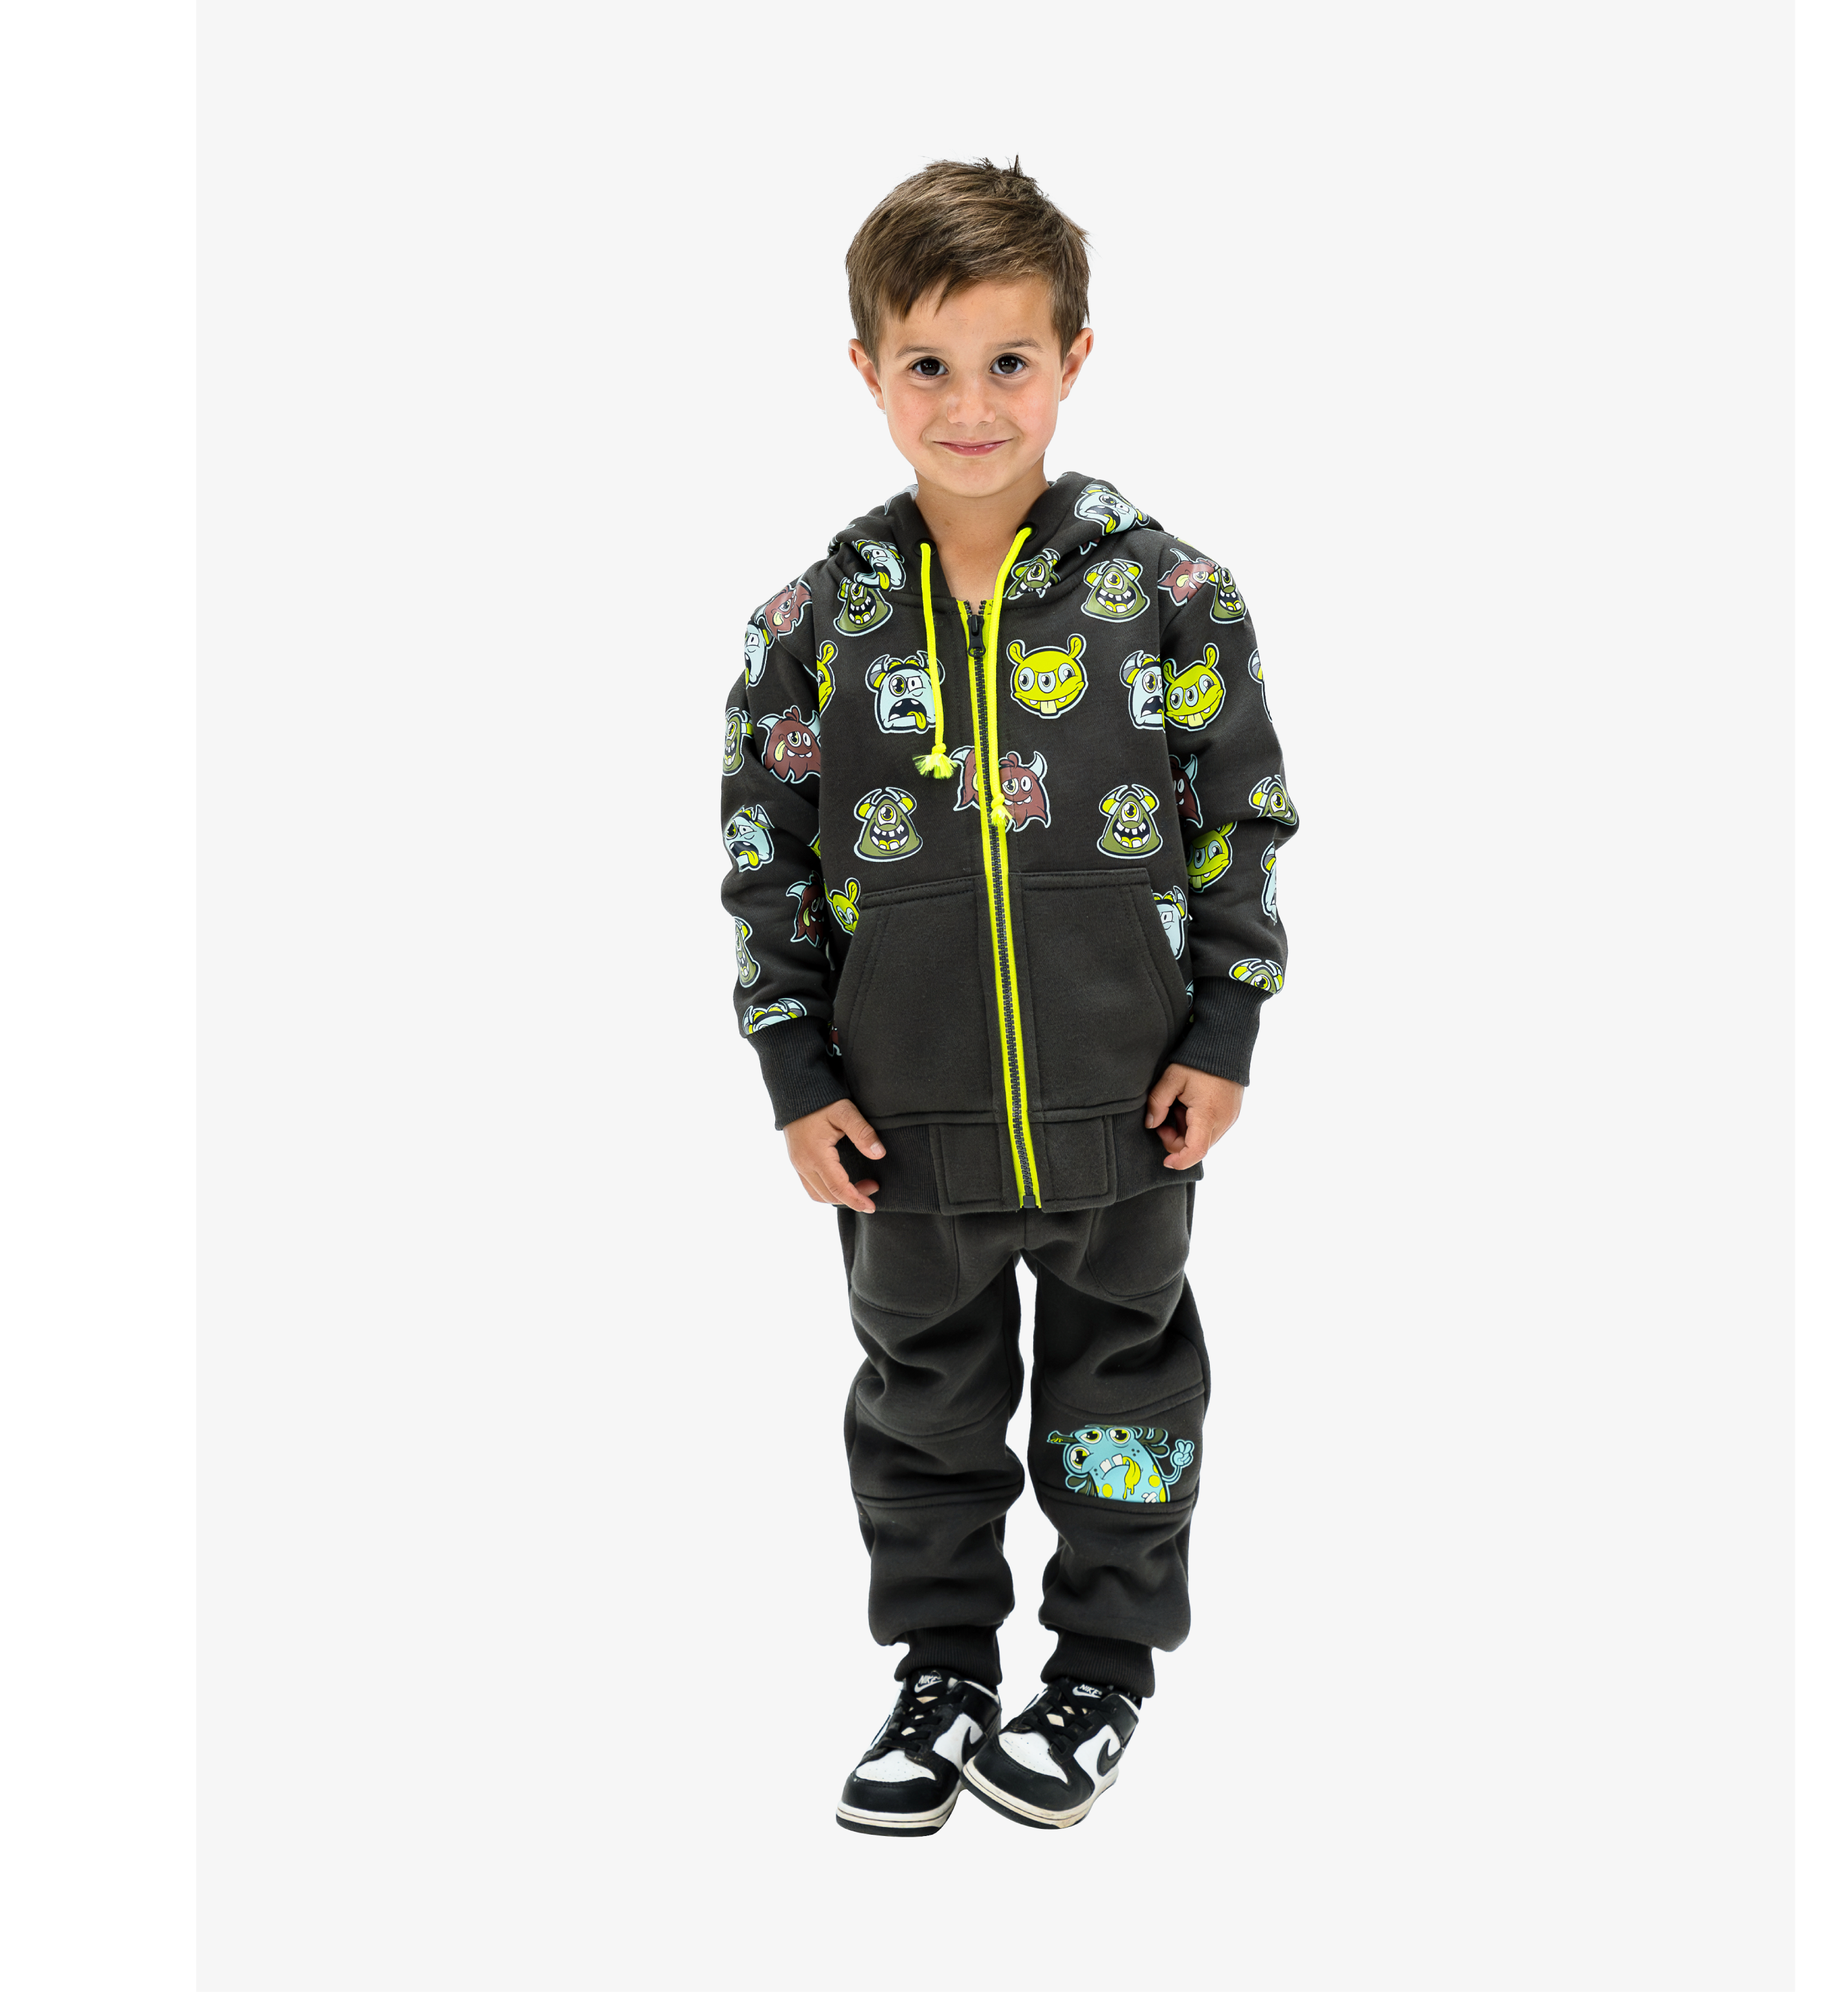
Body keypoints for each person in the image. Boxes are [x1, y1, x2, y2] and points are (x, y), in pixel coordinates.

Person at [717, 159, 1298, 1835]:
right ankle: (943, 1670)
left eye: (1008, 363)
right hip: (903, 1133)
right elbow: (765, 868)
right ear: (866, 371)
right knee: (926, 1414)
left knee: (1128, 1397)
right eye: (927, 365)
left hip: (1128, 1117)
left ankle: (1103, 1666)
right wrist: (796, 1073)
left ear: (1074, 359)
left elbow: (1243, 827)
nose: (969, 407)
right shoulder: (809, 627)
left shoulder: (1169, 595)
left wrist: (1226, 1035)